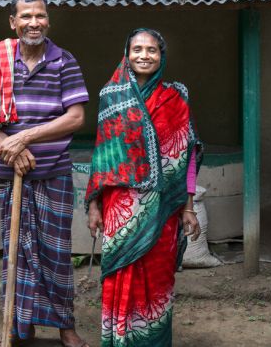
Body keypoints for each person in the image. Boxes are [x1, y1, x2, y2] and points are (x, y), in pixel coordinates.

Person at [0, 0, 90, 347]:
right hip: (13, 173)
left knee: (56, 251)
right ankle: (18, 327)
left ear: (48, 21)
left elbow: (76, 116)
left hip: (53, 173)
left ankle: (65, 328)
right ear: (13, 22)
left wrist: (25, 138)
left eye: (39, 16)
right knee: (16, 252)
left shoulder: (64, 61)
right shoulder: (0, 58)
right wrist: (8, 147)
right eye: (25, 17)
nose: (33, 23)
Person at [85, 28, 202, 346]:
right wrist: (94, 206)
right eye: (137, 49)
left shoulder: (175, 97)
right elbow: (102, 156)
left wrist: (188, 206)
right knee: (120, 277)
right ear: (127, 54)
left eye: (152, 50)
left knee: (158, 279)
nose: (144, 55)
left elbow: (186, 154)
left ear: (162, 56)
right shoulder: (111, 96)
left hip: (163, 209)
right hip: (119, 208)